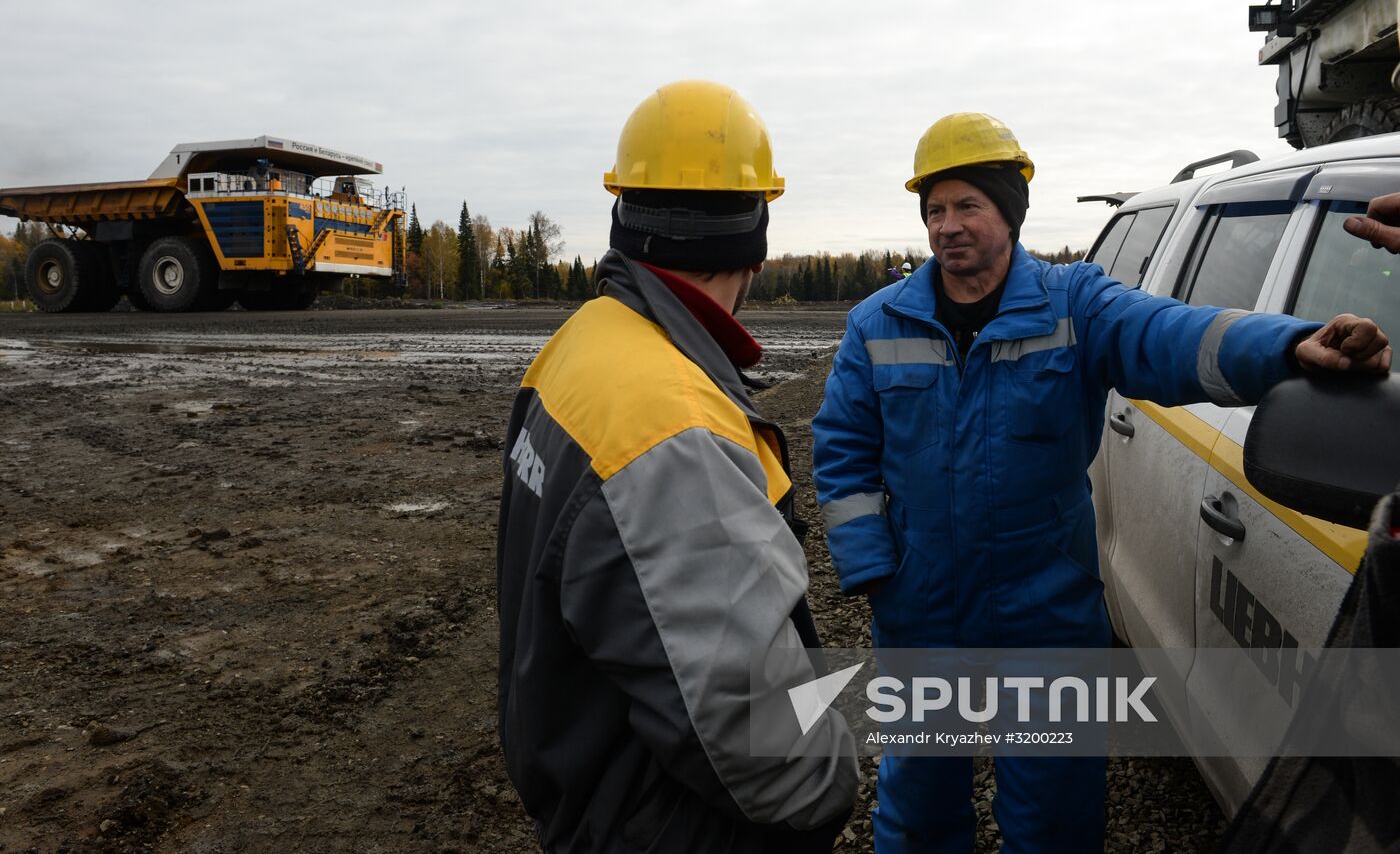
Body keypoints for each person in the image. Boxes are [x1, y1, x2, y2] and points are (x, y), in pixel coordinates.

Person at [811, 112, 1390, 854]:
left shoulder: (1075, 304)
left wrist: (1288, 347)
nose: (947, 226)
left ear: (1009, 213)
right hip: (922, 608)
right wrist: (871, 568)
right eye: (934, 210)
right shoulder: (876, 323)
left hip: (1045, 606)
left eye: (967, 206)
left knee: (1052, 813)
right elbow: (842, 447)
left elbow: (1177, 335)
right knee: (918, 805)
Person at [497, 79, 858, 853]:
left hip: (586, 783)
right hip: (665, 824)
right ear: (754, 246)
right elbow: (752, 728)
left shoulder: (576, 346)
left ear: (624, 212)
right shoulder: (673, 427)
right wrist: (830, 782)